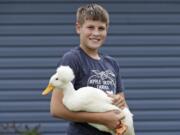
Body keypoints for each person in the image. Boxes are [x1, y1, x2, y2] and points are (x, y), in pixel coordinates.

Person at [50, 3, 129, 135]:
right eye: (90, 27)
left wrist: (120, 102)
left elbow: (122, 105)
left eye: (101, 28)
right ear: (78, 28)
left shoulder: (112, 63)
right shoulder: (72, 59)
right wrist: (102, 119)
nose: (96, 33)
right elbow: (56, 109)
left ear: (107, 30)